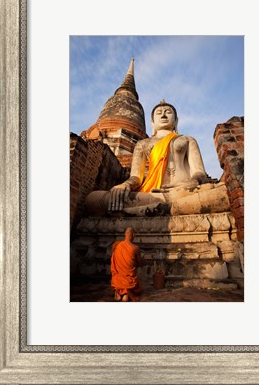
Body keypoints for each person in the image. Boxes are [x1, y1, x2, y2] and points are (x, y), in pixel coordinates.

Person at [85, 100, 230, 216]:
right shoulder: (143, 144)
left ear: (176, 121)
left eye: (168, 112)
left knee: (223, 193)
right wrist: (125, 185)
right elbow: (136, 177)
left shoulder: (187, 139)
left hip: (185, 191)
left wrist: (192, 182)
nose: (164, 115)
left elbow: (199, 173)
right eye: (159, 113)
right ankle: (165, 207)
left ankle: (142, 211)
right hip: (152, 194)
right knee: (94, 199)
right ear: (152, 123)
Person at [111, 227, 142, 302]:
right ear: (133, 235)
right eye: (133, 234)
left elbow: (113, 262)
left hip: (118, 279)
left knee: (118, 279)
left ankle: (120, 292)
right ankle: (126, 293)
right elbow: (139, 263)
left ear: (125, 234)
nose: (134, 236)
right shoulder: (135, 248)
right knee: (139, 286)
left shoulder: (117, 246)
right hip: (130, 280)